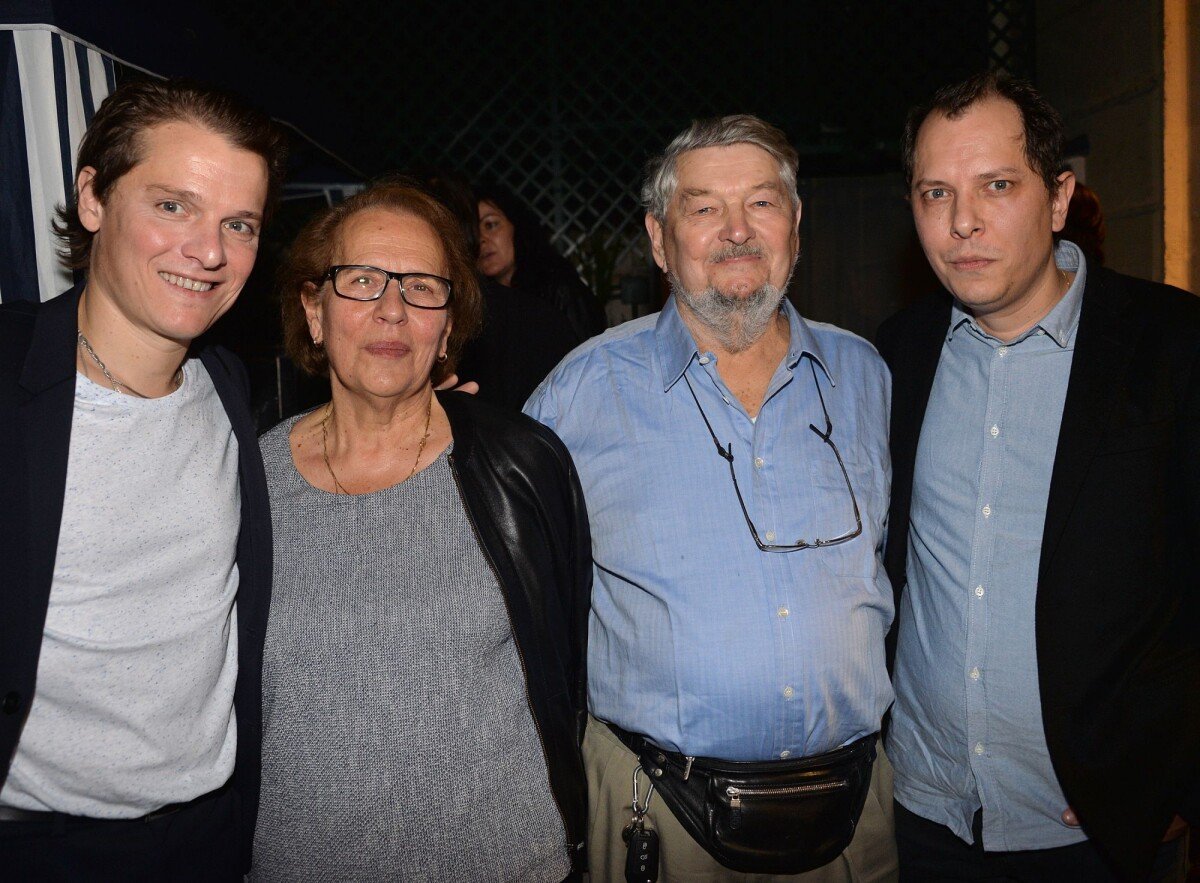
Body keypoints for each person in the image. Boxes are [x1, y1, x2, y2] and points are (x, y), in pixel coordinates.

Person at [526, 115, 897, 882]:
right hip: (659, 818)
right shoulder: (578, 395)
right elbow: (523, 603)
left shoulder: (868, 377)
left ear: (795, 226)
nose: (736, 231)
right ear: (660, 241)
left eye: (761, 203)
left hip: (858, 819)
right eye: (703, 209)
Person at [877, 71, 1199, 882]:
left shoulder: (1174, 350)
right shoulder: (895, 355)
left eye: (996, 186)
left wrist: (1183, 780)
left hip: (1100, 835)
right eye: (934, 192)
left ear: (1059, 198)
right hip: (926, 817)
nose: (962, 223)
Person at [252, 181, 591, 881]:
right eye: (363, 280)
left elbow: (568, 667)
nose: (392, 309)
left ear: (447, 329)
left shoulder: (520, 463)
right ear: (314, 310)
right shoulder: (248, 479)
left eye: (422, 287)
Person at [0, 79, 285, 879]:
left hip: (211, 836)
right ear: (93, 196)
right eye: (173, 206)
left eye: (239, 224)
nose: (209, 251)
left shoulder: (230, 388)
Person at [420, 170, 579, 409]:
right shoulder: (486, 306)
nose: (484, 238)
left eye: (491, 225)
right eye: (479, 227)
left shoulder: (551, 298)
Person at [476, 183, 607, 343]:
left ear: (517, 226)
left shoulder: (558, 287)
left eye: (491, 225)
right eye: (474, 232)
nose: (481, 238)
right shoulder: (482, 303)